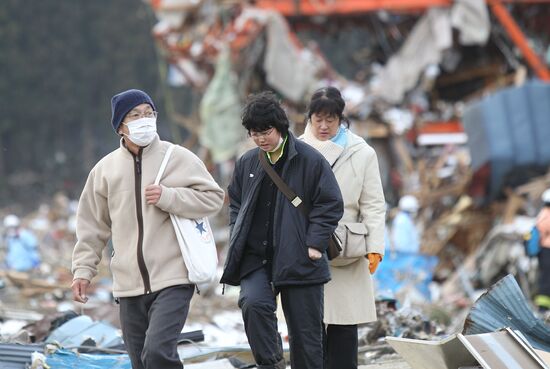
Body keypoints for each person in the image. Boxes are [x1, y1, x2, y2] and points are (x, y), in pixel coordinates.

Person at [71, 89, 225, 369]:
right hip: (128, 284)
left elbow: (213, 198)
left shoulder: (178, 157)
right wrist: (83, 270)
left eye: (149, 113)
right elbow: (92, 226)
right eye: (136, 115)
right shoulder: (104, 170)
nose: (145, 120)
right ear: (121, 126)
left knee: (157, 354)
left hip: (173, 277)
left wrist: (170, 197)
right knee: (140, 363)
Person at [221, 91, 344, 369]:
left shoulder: (310, 160)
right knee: (253, 305)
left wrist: (315, 242)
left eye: (266, 131)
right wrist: (236, 234)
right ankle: (272, 363)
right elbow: (236, 204)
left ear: (280, 127)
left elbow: (331, 203)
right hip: (256, 259)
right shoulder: (247, 162)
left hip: (300, 256)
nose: (261, 138)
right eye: (254, 133)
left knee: (307, 337)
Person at [300, 86, 386, 369]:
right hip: (303, 246)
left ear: (341, 119)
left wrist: (375, 247)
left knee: (344, 329)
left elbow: (373, 204)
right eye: (318, 119)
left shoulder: (362, 153)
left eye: (330, 119)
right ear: (309, 118)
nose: (323, 126)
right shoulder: (295, 150)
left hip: (346, 248)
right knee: (309, 328)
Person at [535, 188, 550, 312]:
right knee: (546, 277)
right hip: (546, 250)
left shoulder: (543, 213)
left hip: (545, 250)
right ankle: (543, 307)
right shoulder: (546, 214)